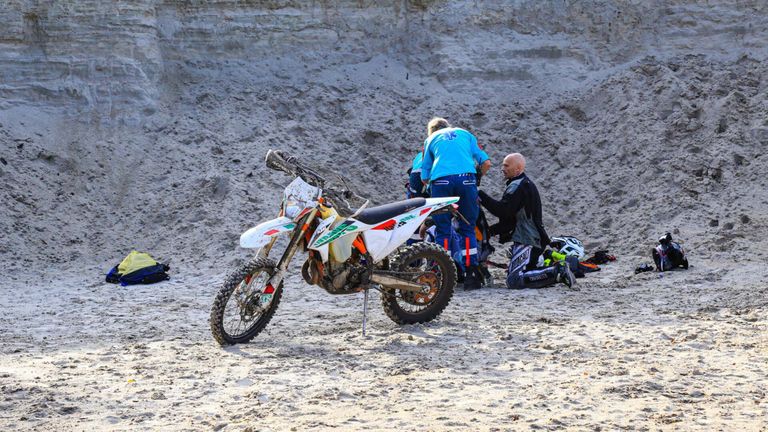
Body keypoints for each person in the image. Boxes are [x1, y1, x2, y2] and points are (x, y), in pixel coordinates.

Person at [478, 153, 576, 289]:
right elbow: (511, 221)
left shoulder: (518, 186)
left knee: (514, 280)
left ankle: (557, 270)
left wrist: (480, 194)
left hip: (528, 241)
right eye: (503, 165)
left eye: (506, 166)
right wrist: (489, 232)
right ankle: (551, 271)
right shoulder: (522, 184)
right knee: (527, 273)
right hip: (533, 240)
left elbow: (503, 211)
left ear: (518, 169)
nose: (502, 168)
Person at [420, 117, 491, 290]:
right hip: (466, 180)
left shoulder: (431, 139)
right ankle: (471, 273)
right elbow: (486, 163)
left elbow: (424, 176)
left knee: (443, 229)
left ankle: (442, 272)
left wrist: (432, 187)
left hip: (441, 182)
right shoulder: (466, 134)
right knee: (468, 227)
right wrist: (477, 178)